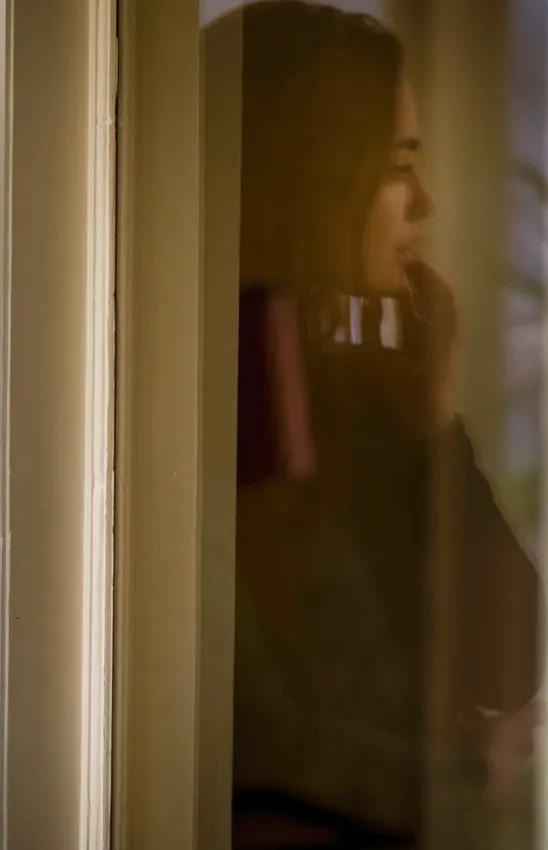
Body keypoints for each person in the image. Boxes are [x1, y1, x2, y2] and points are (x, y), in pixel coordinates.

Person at [211, 2, 543, 847]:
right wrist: (471, 768)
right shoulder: (207, 398)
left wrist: (433, 413)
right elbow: (254, 735)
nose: (425, 205)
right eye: (399, 167)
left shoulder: (359, 395)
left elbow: (507, 660)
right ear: (318, 173)